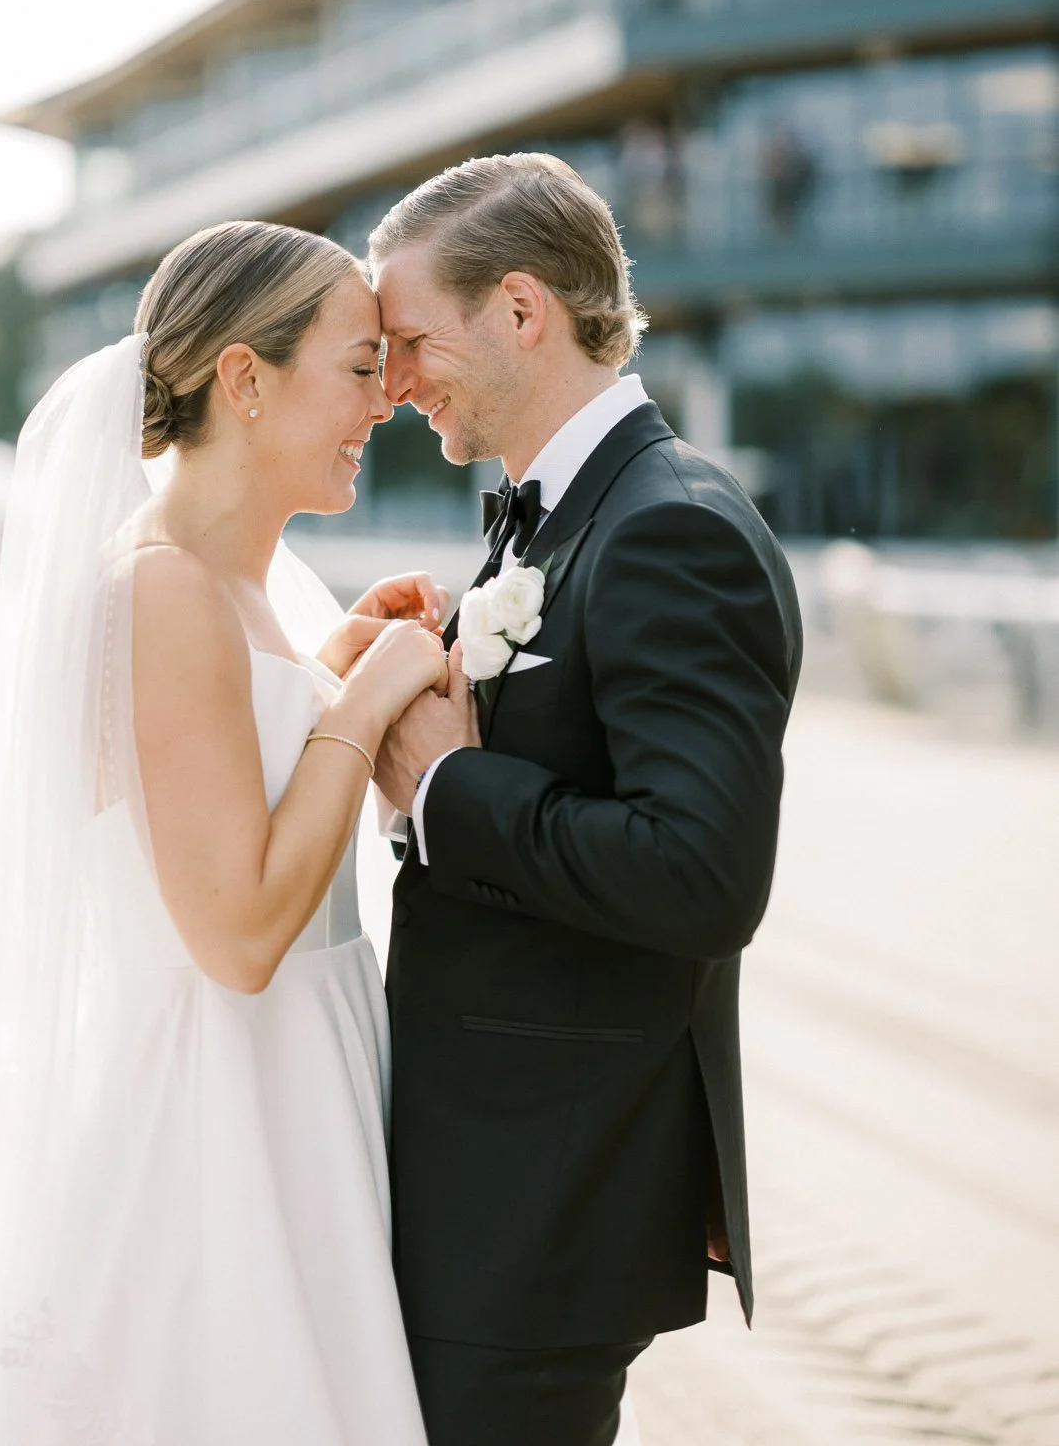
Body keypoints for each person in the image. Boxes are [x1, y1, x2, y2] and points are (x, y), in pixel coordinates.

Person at [0, 221, 445, 1444]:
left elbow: (232, 767)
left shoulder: (234, 587)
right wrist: (372, 699)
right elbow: (234, 936)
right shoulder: (161, 585)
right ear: (246, 379)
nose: (384, 403)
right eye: (360, 365)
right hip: (222, 1121)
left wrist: (328, 676)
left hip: (300, 1083)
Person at [369, 152, 804, 1446]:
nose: (391, 387)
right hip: (487, 1171)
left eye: (407, 344)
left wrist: (447, 787)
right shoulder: (557, 520)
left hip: (541, 1193)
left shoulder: (673, 529)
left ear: (518, 310)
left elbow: (700, 876)